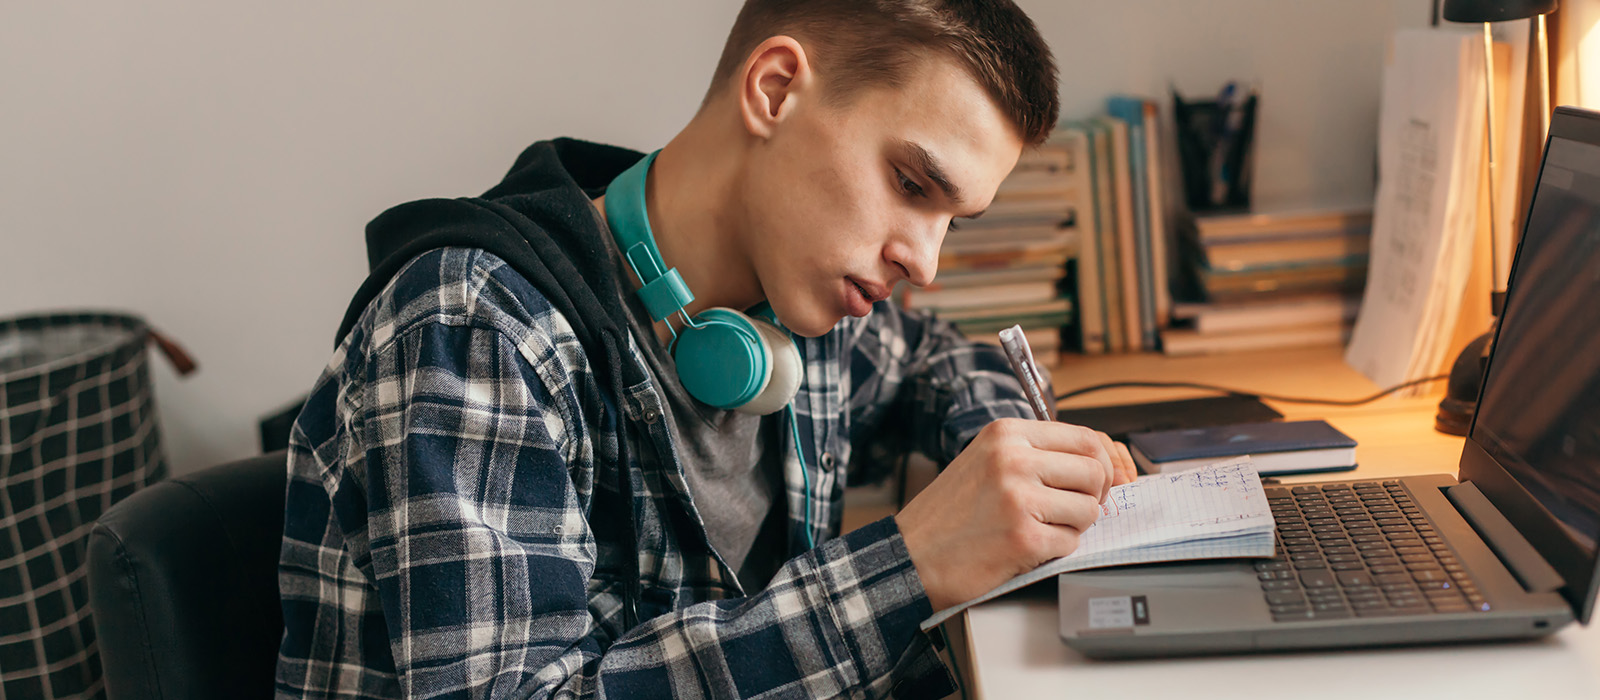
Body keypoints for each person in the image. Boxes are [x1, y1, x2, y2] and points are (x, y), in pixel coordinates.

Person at [275, 1, 1137, 698]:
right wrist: (911, 565)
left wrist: (1024, 467)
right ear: (773, 89)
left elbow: (937, 361)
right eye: (912, 185)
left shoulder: (805, 305)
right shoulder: (470, 329)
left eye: (952, 219)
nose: (926, 260)